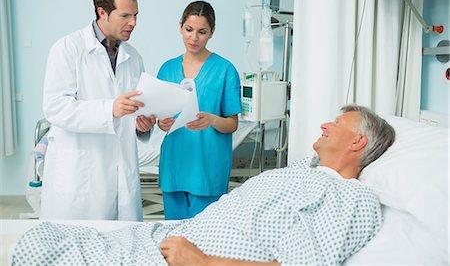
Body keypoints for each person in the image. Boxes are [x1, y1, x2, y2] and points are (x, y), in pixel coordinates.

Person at [13, 105, 395, 266]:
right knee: (43, 236)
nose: (325, 125)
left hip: (186, 258)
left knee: (37, 250)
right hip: (168, 238)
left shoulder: (350, 197)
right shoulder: (305, 169)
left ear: (357, 142)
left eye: (337, 124)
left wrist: (204, 261)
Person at [39, 0, 156, 221]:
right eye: (125, 16)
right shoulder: (68, 48)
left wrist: (141, 124)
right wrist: (109, 109)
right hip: (80, 176)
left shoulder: (133, 57)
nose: (133, 23)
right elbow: (55, 107)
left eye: (136, 15)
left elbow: (133, 110)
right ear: (102, 12)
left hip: (121, 175)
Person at [156, 1, 241, 220]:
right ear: (180, 26)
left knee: (202, 242)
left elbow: (232, 123)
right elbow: (160, 114)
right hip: (174, 164)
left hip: (207, 167)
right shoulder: (167, 68)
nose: (194, 38)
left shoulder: (225, 70)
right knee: (172, 238)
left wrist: (212, 120)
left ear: (212, 32)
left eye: (202, 32)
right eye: (189, 30)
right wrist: (161, 123)